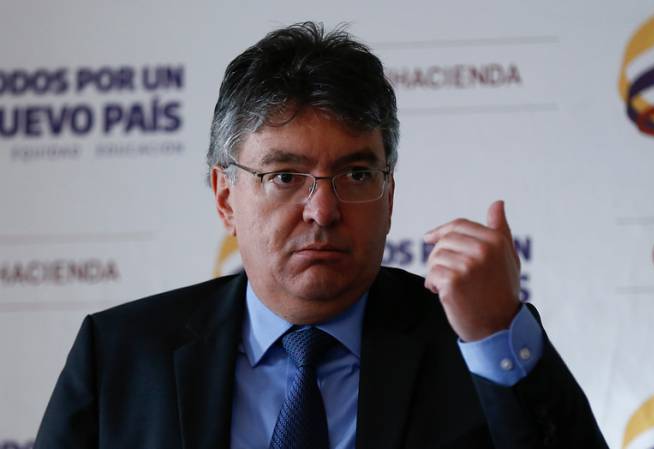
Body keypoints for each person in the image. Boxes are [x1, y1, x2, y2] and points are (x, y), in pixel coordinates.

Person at [35, 22, 608, 449]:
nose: (324, 210)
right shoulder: (120, 356)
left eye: (356, 174)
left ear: (388, 194)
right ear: (225, 197)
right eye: (285, 176)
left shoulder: (470, 345)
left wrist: (495, 333)